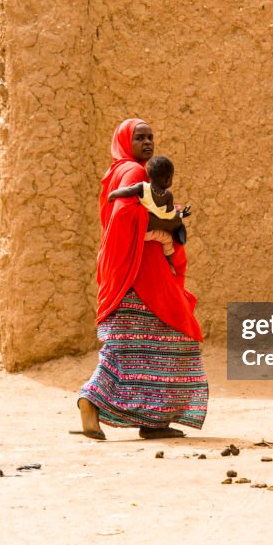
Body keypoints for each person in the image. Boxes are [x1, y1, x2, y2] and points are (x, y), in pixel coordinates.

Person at [75, 119, 207, 440]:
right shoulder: (133, 173)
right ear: (125, 141)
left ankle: (151, 420)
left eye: (151, 137)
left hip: (131, 267)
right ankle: (92, 401)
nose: (147, 143)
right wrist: (165, 220)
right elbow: (123, 215)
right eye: (140, 138)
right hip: (140, 273)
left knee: (135, 347)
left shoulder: (120, 170)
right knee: (172, 340)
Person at [105, 155, 190, 260]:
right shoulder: (168, 195)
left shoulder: (142, 187)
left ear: (148, 176)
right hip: (155, 230)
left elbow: (128, 191)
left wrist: (113, 194)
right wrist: (180, 214)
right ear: (168, 179)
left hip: (143, 233)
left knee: (173, 218)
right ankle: (170, 261)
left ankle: (176, 226)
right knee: (168, 240)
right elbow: (169, 213)